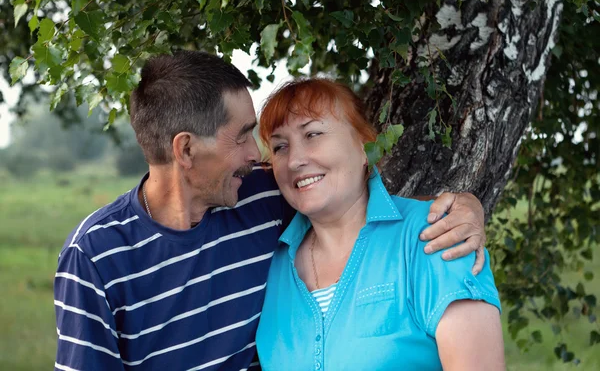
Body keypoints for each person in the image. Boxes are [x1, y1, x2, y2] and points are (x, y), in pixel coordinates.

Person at [54, 51, 489, 371]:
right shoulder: (95, 256)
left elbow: (344, 192)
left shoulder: (263, 198)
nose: (259, 153)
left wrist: (466, 208)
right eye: (244, 136)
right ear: (185, 149)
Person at [255, 79, 505, 370]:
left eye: (312, 134)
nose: (295, 160)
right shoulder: (270, 265)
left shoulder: (435, 236)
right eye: (280, 147)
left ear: (365, 147)